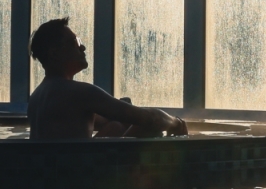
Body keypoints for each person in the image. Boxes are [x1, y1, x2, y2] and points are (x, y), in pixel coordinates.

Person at [27, 18, 187, 140]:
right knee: (151, 128)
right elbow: (149, 118)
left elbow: (106, 121)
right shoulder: (78, 92)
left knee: (116, 126)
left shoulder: (38, 97)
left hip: (52, 173)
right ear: (54, 53)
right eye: (75, 42)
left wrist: (117, 107)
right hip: (78, 176)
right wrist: (176, 123)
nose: (82, 47)